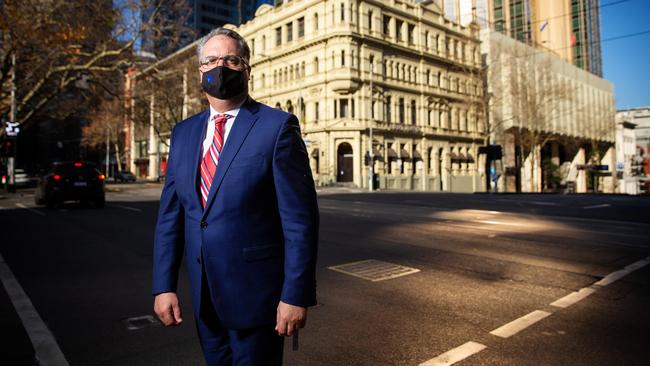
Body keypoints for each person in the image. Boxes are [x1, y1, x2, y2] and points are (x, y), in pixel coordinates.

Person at [152, 27, 319, 366]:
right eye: (211, 60)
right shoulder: (183, 134)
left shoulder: (277, 127)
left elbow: (300, 221)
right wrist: (163, 286)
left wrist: (295, 294)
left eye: (231, 59)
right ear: (200, 70)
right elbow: (171, 218)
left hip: (258, 300)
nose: (220, 67)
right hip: (204, 299)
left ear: (246, 68)